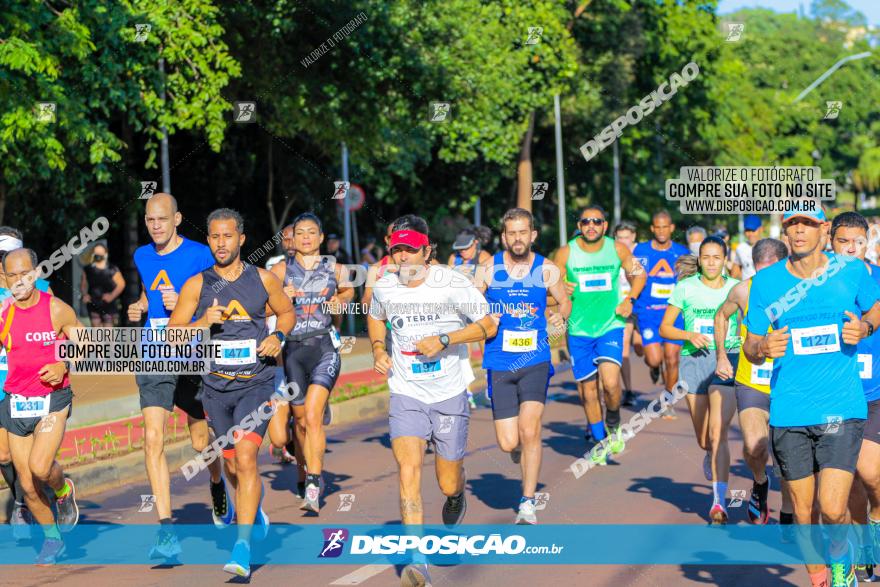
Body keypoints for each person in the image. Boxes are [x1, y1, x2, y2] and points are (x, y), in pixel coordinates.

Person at [743, 206, 880, 587]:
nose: (799, 231)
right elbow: (751, 343)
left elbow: (875, 307)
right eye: (792, 225)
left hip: (842, 406)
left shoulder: (850, 270)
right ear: (785, 232)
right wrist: (762, 346)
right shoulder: (766, 283)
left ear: (823, 229)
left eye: (807, 224)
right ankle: (821, 574)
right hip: (789, 411)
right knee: (803, 513)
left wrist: (865, 326)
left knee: (832, 508)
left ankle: (842, 566)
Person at [368, 215, 496, 586]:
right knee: (407, 471)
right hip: (406, 391)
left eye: (410, 250)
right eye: (397, 251)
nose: (403, 257)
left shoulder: (452, 284)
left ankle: (456, 498)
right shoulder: (385, 286)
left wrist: (445, 340)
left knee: (447, 481)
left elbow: (489, 325)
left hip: (449, 391)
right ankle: (417, 560)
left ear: (426, 252)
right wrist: (378, 348)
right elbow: (377, 318)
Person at [169, 208, 295, 578]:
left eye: (228, 236)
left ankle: (242, 547)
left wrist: (277, 336)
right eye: (214, 237)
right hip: (215, 389)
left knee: (245, 457)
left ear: (241, 239)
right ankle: (252, 509)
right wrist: (201, 323)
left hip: (256, 384)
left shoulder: (263, 279)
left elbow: (287, 313)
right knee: (232, 467)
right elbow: (172, 334)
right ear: (208, 240)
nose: (221, 243)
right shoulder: (197, 284)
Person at [127, 193, 227, 558]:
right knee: (153, 438)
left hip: (192, 354)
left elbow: (219, 300)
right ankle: (167, 530)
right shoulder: (141, 256)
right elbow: (147, 289)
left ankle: (216, 483)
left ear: (177, 219)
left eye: (162, 220)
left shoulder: (201, 254)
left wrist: (187, 306)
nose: (155, 226)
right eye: (150, 220)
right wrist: (140, 305)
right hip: (155, 352)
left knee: (202, 443)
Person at [478, 208, 570, 524]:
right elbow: (472, 304)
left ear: (533, 235)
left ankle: (527, 501)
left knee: (530, 429)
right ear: (504, 236)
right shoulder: (488, 269)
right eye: (511, 233)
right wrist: (484, 317)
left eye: (523, 232)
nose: (517, 238)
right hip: (499, 361)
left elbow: (564, 300)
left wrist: (561, 314)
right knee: (508, 442)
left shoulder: (547, 269)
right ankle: (518, 450)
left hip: (535, 358)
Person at [268, 213, 354, 514]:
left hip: (324, 348)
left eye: (311, 232)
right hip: (292, 352)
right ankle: (303, 472)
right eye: (300, 232)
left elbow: (348, 291)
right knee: (301, 421)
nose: (305, 237)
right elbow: (263, 305)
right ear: (293, 238)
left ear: (321, 238)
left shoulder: (337, 268)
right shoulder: (280, 270)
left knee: (314, 417)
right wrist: (279, 297)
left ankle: (315, 484)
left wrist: (340, 303)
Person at [0, 248, 80, 565]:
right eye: (13, 275)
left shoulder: (56, 309)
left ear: (37, 273)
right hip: (16, 402)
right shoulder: (3, 313)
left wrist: (64, 365)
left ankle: (63, 491)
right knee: (28, 486)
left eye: (25, 274)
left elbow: (88, 345)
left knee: (41, 468)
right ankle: (52, 538)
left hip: (52, 399)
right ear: (4, 278)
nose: (20, 281)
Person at [554, 205, 646, 464]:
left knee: (611, 383)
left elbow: (640, 275)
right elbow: (550, 285)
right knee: (588, 391)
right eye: (585, 222)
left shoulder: (617, 249)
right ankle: (600, 440)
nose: (591, 226)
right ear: (580, 226)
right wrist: (561, 287)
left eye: (597, 221)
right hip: (579, 330)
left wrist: (631, 299)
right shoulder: (566, 252)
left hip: (610, 326)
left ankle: (614, 420)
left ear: (605, 225)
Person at [660, 236, 740, 524]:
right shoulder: (685, 288)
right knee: (704, 436)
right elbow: (665, 328)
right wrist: (688, 334)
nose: (710, 262)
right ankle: (708, 451)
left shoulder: (736, 288)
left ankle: (719, 502)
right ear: (700, 259)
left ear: (725, 260)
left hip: (727, 358)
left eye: (716, 257)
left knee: (719, 433)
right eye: (706, 257)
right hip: (694, 360)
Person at [714, 237, 793, 527]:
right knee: (754, 447)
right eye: (761, 274)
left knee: (786, 455)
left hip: (789, 381)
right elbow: (721, 316)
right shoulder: (742, 290)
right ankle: (759, 482)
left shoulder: (801, 290)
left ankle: (787, 509)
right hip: (752, 380)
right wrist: (722, 356)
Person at [830, 212, 880, 581]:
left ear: (868, 243)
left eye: (858, 241)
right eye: (843, 241)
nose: (851, 248)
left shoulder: (877, 279)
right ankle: (860, 545)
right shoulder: (816, 282)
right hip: (832, 395)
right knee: (846, 481)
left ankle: (870, 538)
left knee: (872, 475)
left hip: (874, 392)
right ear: (831, 241)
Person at [0, 232, 53, 541]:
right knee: (3, 455)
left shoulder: (41, 289)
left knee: (35, 461)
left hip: (31, 381)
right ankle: (22, 496)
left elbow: (59, 331)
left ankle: (29, 499)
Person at [632, 211, 689, 418]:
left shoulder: (682, 252)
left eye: (666, 227)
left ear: (671, 228)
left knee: (672, 358)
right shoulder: (641, 251)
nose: (662, 231)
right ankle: (654, 368)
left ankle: (668, 400)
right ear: (652, 229)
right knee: (655, 359)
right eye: (658, 227)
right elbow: (634, 278)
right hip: (648, 312)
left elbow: (687, 283)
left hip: (673, 313)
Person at [614, 221, 643, 406]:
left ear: (633, 237)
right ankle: (629, 390)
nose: (623, 241)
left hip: (642, 305)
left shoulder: (641, 252)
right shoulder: (613, 252)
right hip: (623, 306)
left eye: (626, 237)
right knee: (624, 346)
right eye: (619, 237)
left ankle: (655, 366)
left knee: (642, 350)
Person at [81, 243, 125, 327]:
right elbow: (83, 284)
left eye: (100, 253)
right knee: (97, 333)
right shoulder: (88, 269)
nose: (98, 255)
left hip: (108, 305)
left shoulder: (112, 269)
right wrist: (84, 294)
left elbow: (121, 284)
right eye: (96, 252)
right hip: (93, 303)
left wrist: (112, 296)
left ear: (105, 254)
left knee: (108, 335)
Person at [731, 215, 763, 280]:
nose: (750, 234)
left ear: (761, 229)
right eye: (747, 230)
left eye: (753, 230)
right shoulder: (740, 248)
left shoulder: (769, 246)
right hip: (747, 288)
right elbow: (735, 271)